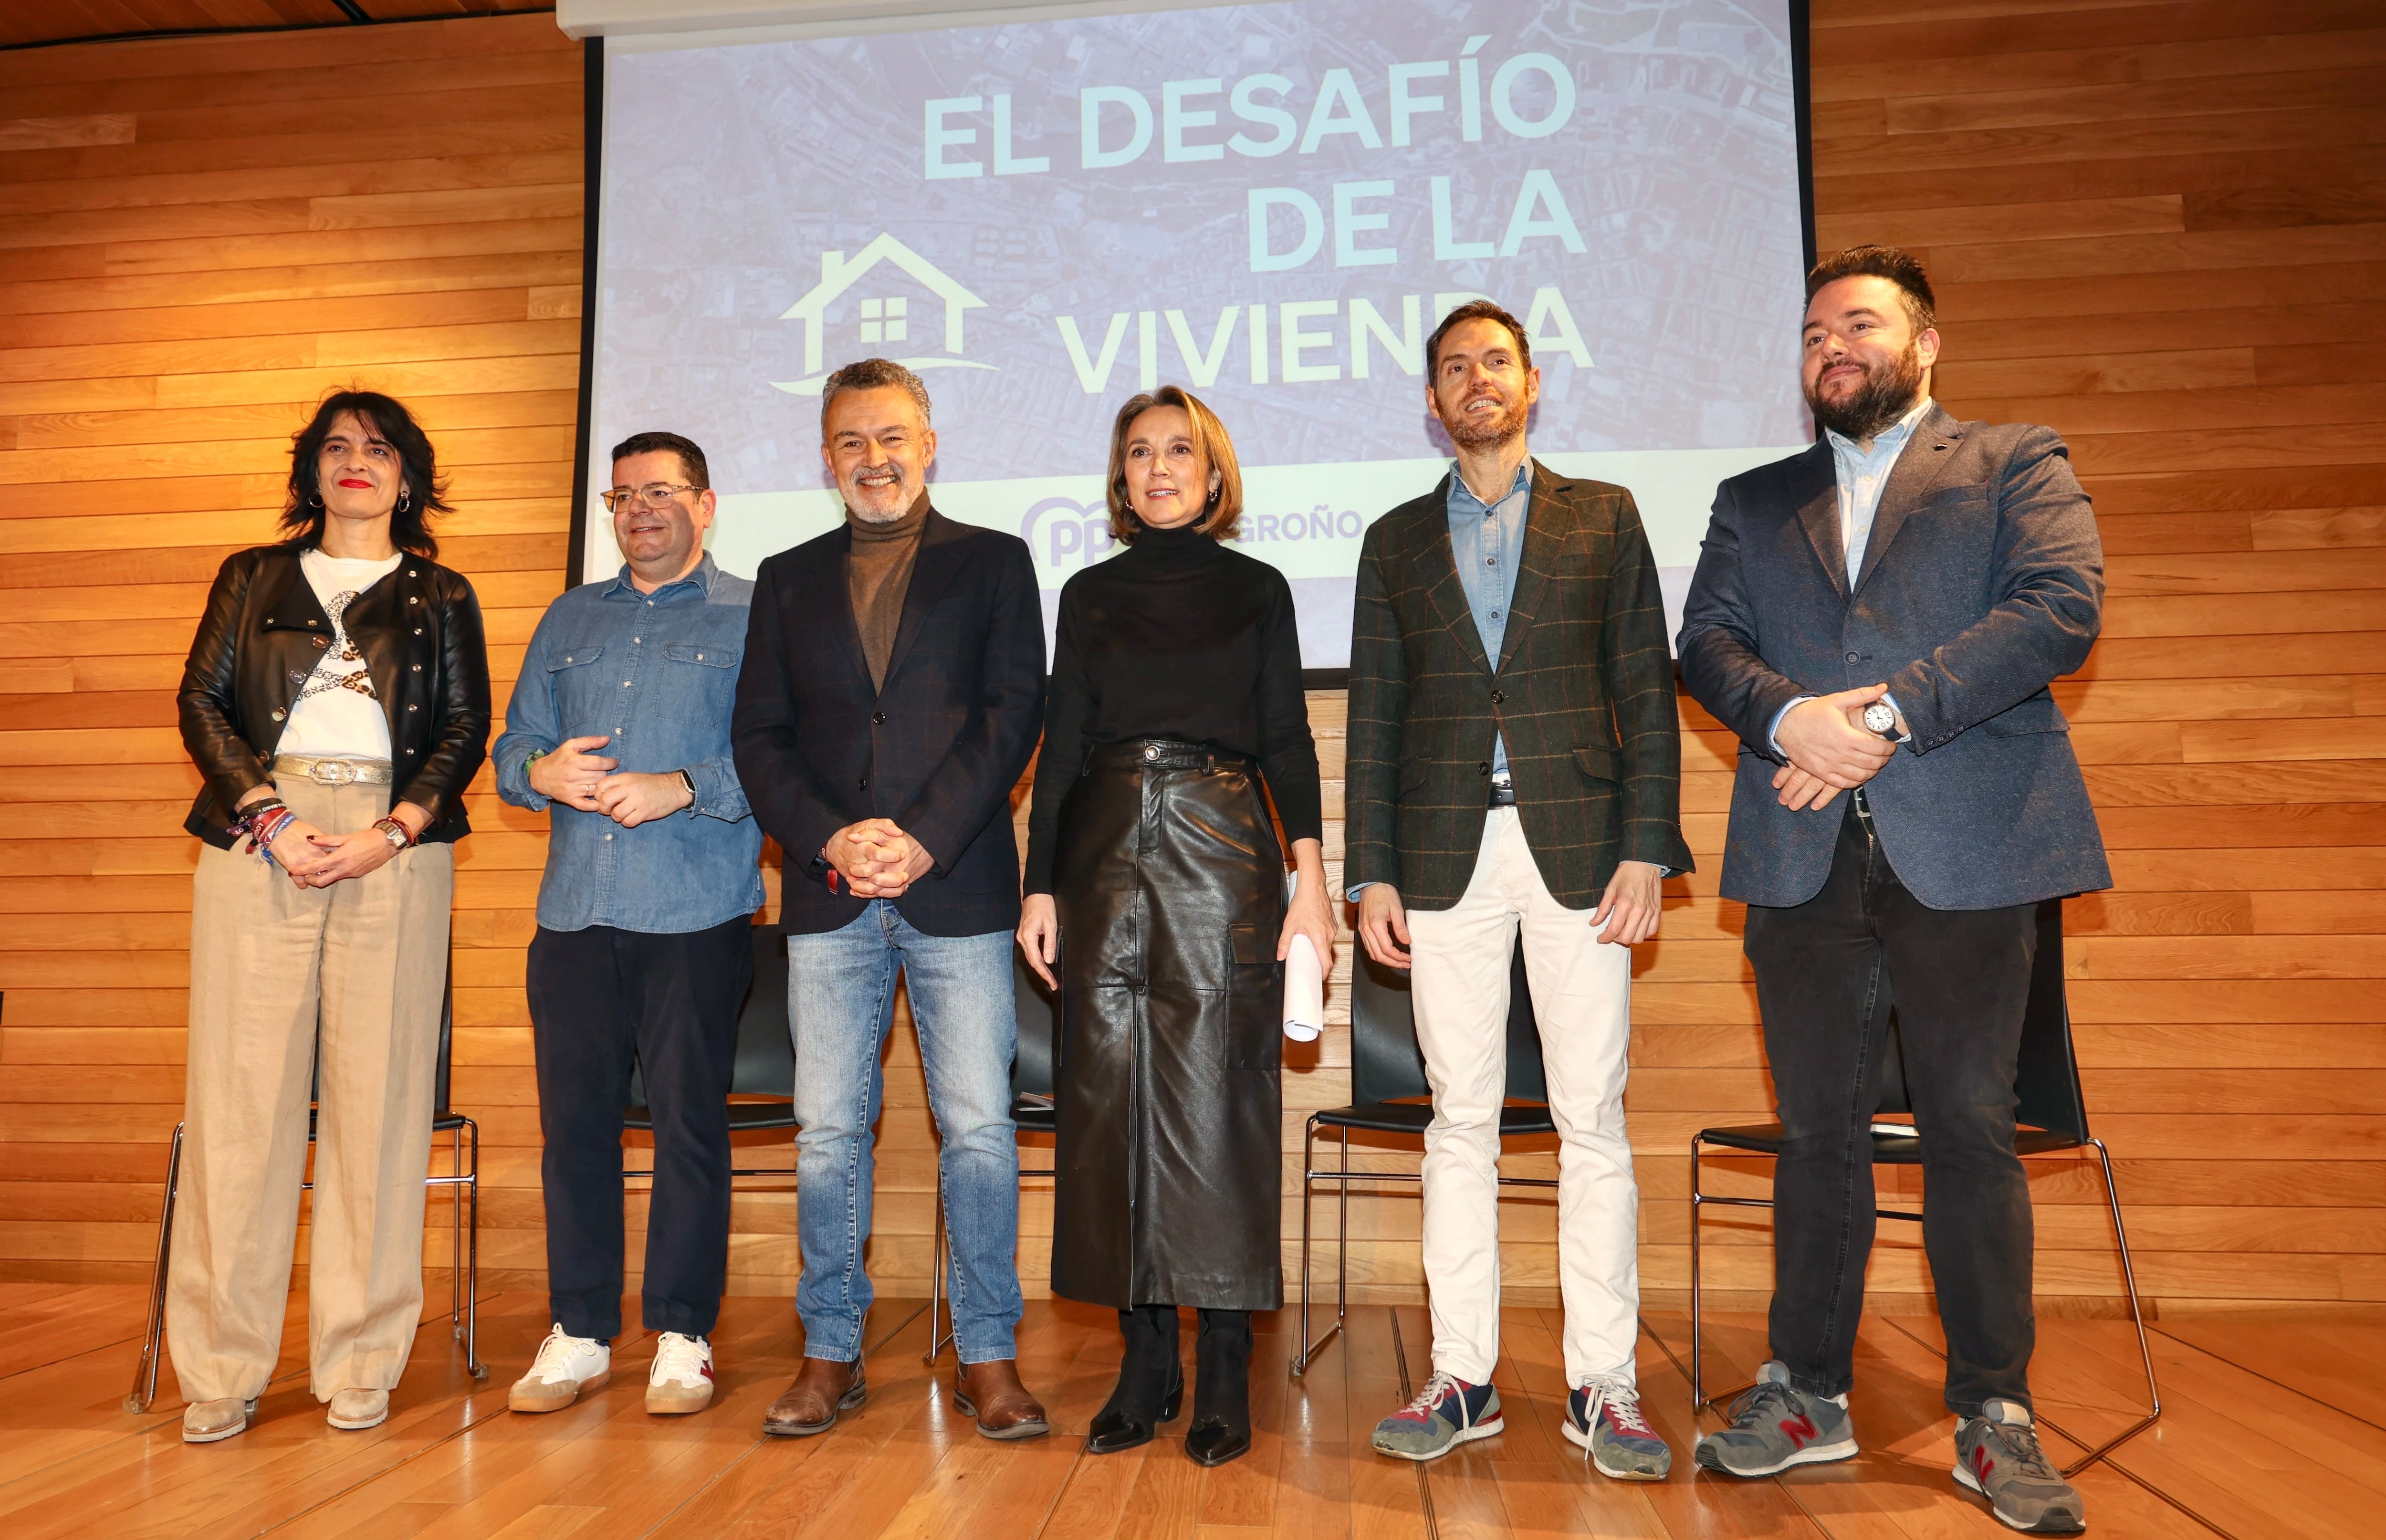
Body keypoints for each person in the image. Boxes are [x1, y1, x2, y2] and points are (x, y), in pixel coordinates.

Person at [1676, 245, 2107, 1536]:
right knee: (1817, 1135)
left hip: (1970, 847)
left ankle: (1995, 1412)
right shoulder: (1756, 498)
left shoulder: (2014, 460)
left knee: (1971, 1128)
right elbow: (1703, 641)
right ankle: (1805, 1391)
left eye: (1859, 324)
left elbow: (2061, 606)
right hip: (1802, 854)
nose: (1832, 347)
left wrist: (1884, 711)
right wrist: (1789, 717)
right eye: (1813, 332)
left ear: (1928, 345)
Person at [1345, 301, 1690, 1478]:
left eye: (1496, 362)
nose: (1476, 381)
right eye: (1454, 369)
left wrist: (1648, 844)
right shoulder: (1392, 540)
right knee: (1460, 1122)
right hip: (1440, 857)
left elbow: (1645, 689)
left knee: (1591, 1117)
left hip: (1586, 853)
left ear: (1532, 383)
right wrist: (1371, 870)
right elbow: (1377, 716)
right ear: (1432, 401)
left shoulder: (1605, 516)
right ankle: (1463, 1378)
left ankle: (1606, 1387)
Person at [733, 359, 1050, 1441]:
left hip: (956, 886)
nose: (876, 459)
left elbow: (1011, 718)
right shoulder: (785, 577)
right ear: (826, 460)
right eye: (853, 443)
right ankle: (830, 1355)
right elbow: (758, 737)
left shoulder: (997, 563)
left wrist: (919, 840)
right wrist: (830, 839)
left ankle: (989, 1354)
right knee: (826, 1134)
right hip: (828, 896)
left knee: (977, 1132)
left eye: (893, 437)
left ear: (930, 443)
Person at [1018, 387, 1332, 1468]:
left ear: (1213, 474)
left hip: (1223, 847)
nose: (1159, 468)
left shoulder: (1256, 588)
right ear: (1120, 476)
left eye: (1180, 452)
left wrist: (1312, 879)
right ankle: (1142, 1363)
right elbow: (1059, 749)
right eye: (1140, 452)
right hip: (1100, 850)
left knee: (1216, 1109)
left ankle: (1225, 1365)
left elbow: (1287, 737)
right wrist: (1040, 886)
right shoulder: (1087, 591)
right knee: (1106, 1113)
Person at [170, 391, 491, 1444]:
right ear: (310, 472)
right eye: (337, 449)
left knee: (381, 1108)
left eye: (380, 450)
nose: (358, 463)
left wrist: (391, 831)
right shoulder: (252, 576)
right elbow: (202, 702)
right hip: (261, 833)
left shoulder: (442, 592)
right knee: (241, 1111)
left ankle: (361, 1359)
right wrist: (268, 816)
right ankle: (220, 1368)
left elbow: (462, 727)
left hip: (393, 847)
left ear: (411, 475)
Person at [493, 432, 764, 1418]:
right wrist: (538, 773)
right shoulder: (570, 617)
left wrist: (685, 786)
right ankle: (579, 1333)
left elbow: (781, 756)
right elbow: (513, 742)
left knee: (690, 1128)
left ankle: (683, 1337)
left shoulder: (751, 614)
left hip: (695, 912)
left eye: (661, 491)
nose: (640, 508)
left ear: (706, 501)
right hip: (573, 915)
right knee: (574, 1132)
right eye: (623, 496)